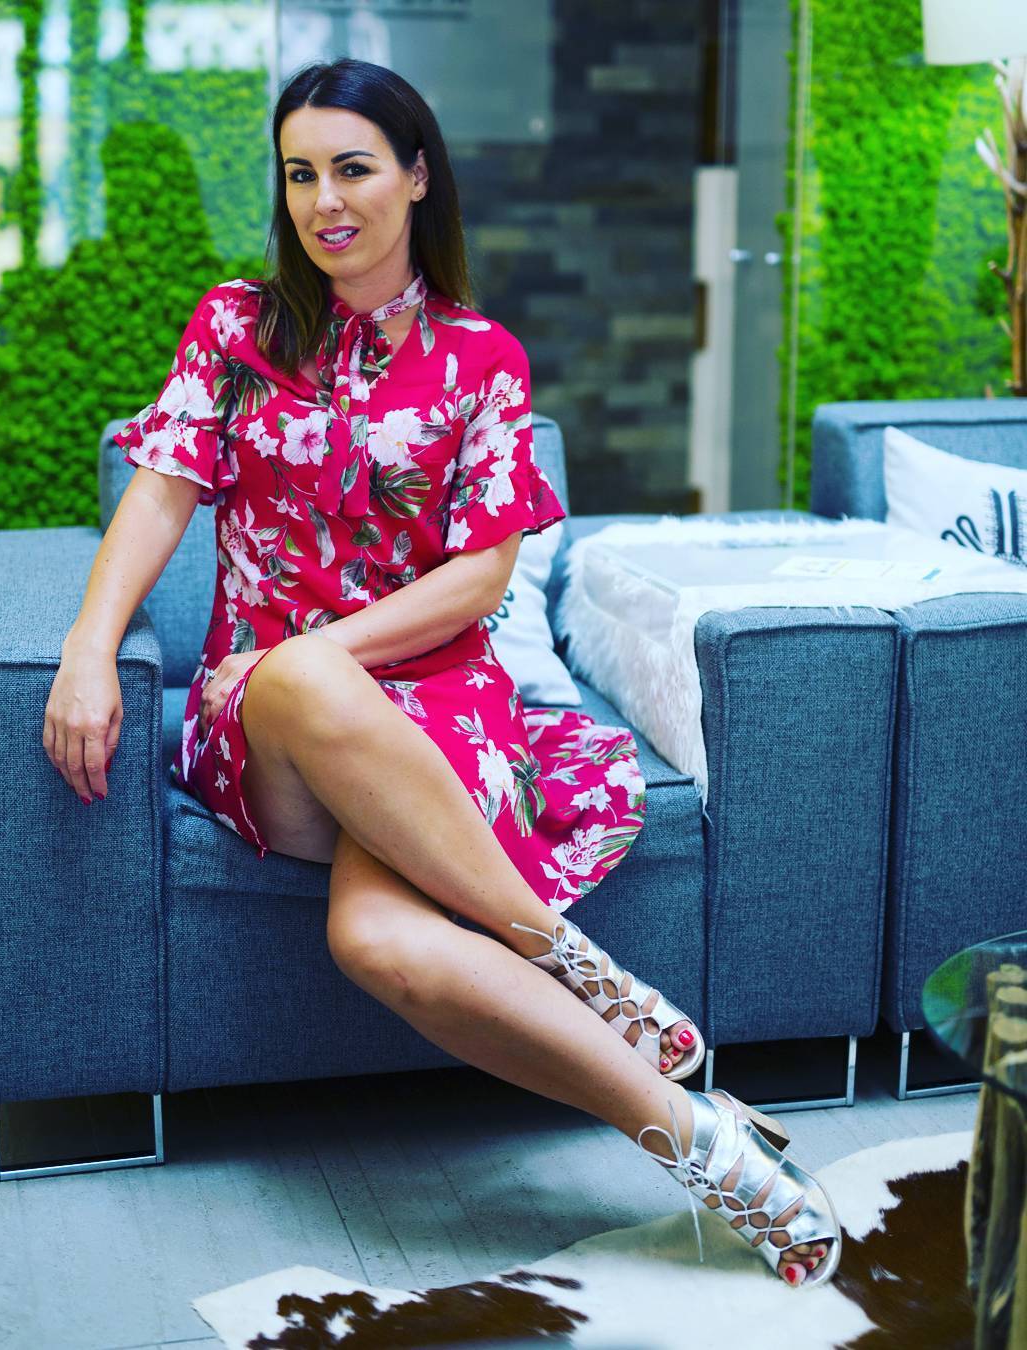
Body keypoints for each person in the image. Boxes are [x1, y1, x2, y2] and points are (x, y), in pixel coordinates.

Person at [43, 57, 840, 1287]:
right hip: (264, 719)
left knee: (382, 945)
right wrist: (89, 648)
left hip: (438, 709)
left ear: (417, 177)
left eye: (353, 169)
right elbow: (160, 495)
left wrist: (321, 649)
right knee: (298, 681)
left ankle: (703, 1146)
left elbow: (478, 581)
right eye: (301, 174)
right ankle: (565, 953)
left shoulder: (484, 357)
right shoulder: (236, 326)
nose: (324, 201)